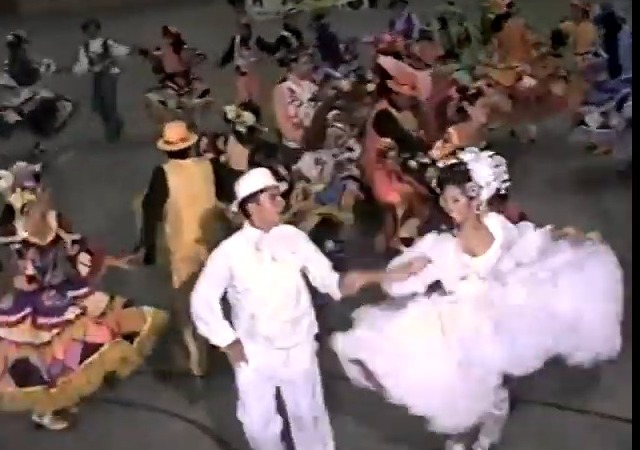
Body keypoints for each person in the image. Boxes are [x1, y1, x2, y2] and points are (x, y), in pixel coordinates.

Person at [331, 147, 623, 450]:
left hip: (491, 319)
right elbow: (410, 271)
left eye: (456, 200)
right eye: (445, 199)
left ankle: (485, 438)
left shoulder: (491, 231)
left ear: (476, 201)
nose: (448, 207)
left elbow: (532, 244)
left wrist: (569, 237)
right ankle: (470, 433)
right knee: (465, 383)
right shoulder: (453, 240)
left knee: (484, 384)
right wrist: (368, 277)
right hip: (467, 318)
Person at [190, 167, 422, 450]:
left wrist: (388, 275)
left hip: (298, 345)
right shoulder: (229, 253)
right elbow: (202, 300)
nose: (281, 203)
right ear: (251, 206)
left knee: (308, 417)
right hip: (256, 353)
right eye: (273, 197)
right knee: (259, 424)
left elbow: (331, 281)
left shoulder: (293, 238)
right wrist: (228, 341)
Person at [0, 166, 167, 430]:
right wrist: (21, 278)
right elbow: (19, 275)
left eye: (41, 193)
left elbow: (80, 252)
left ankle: (59, 400)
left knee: (92, 336)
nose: (45, 197)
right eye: (36, 196)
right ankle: (45, 409)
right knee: (44, 360)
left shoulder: (56, 221)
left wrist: (114, 262)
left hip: (61, 292)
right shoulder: (13, 235)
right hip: (32, 304)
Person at [135, 121, 225, 376]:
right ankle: (214, 334)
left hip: (183, 248)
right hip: (213, 243)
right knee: (212, 294)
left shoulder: (163, 174)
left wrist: (148, 248)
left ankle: (195, 349)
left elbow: (150, 210)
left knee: (185, 300)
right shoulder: (209, 166)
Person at [0, 31, 75, 147]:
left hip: (18, 99)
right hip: (25, 98)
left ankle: (38, 142)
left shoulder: (12, 62)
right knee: (63, 105)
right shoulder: (21, 62)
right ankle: (42, 137)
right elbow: (26, 79)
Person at [71, 19, 131, 142]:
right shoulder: (84, 48)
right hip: (98, 77)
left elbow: (122, 51)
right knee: (99, 105)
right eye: (89, 30)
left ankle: (112, 131)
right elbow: (83, 65)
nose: (92, 32)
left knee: (109, 103)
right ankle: (116, 123)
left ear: (98, 30)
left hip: (109, 75)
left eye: (94, 29)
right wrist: (75, 70)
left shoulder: (107, 43)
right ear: (85, 32)